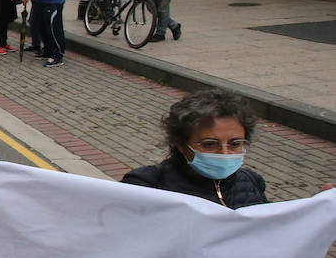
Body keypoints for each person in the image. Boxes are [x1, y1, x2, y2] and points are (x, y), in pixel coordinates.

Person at [123, 89, 333, 209]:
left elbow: (270, 232)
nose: (225, 153)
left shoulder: (251, 182)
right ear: (180, 144)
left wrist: (314, 213)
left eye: (235, 144)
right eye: (209, 144)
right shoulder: (147, 185)